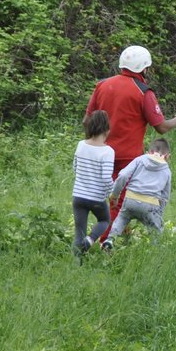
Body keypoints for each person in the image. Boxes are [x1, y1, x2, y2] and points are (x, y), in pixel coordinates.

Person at [84, 45, 176, 218]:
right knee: (119, 199)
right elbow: (161, 127)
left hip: (100, 152)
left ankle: (113, 234)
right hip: (127, 157)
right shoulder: (143, 92)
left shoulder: (102, 85)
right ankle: (108, 240)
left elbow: (87, 121)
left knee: (98, 196)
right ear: (144, 68)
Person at [104, 138, 173, 245]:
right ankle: (155, 251)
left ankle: (110, 240)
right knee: (156, 230)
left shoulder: (140, 160)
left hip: (130, 200)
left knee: (122, 218)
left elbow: (123, 175)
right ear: (168, 156)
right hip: (150, 205)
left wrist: (115, 195)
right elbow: (165, 195)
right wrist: (159, 213)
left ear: (148, 151)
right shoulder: (166, 170)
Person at [72, 110, 113, 257]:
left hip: (78, 196)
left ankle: (76, 265)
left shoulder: (81, 145)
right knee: (105, 220)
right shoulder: (108, 151)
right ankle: (90, 240)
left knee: (79, 232)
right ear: (107, 130)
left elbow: (75, 168)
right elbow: (106, 178)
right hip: (96, 198)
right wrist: (112, 194)